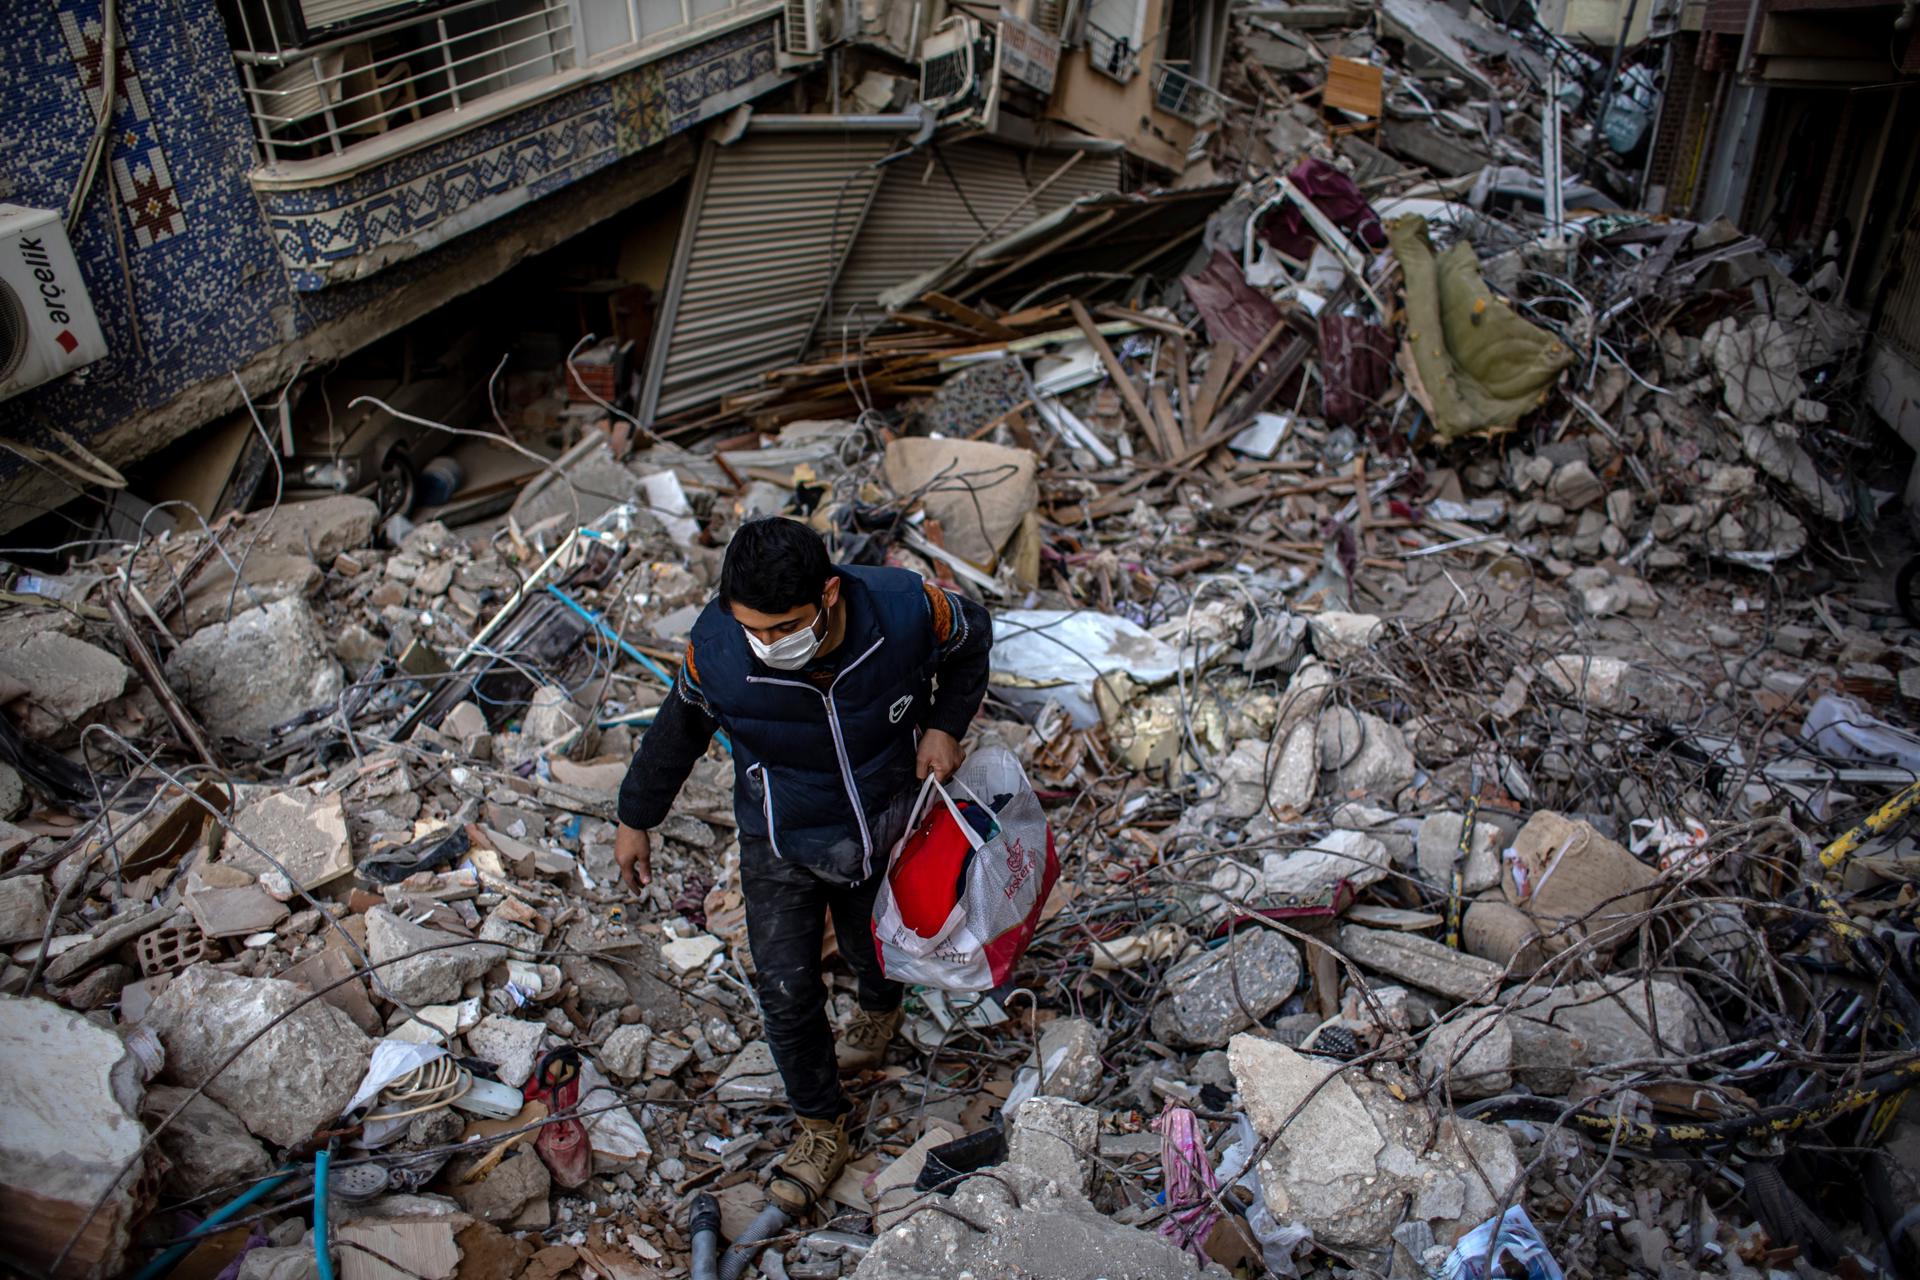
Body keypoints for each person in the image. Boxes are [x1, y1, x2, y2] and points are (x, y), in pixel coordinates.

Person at [614, 517, 993, 1211]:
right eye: (752, 627)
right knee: (786, 989)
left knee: (869, 949)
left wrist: (944, 725)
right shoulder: (718, 651)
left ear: (828, 592)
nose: (765, 643)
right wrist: (636, 816)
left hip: (882, 823)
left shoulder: (907, 607)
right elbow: (678, 730)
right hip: (779, 834)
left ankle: (880, 1016)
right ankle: (821, 1124)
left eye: (782, 626)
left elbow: (974, 639)